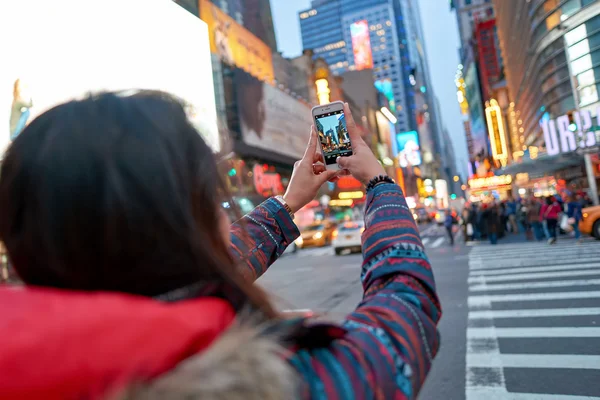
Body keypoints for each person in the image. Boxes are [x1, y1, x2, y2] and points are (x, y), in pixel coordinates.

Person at [0, 93, 441, 399]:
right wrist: (380, 184)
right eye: (211, 195)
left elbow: (197, 271)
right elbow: (405, 304)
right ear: (184, 223)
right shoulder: (280, 386)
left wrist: (288, 203)